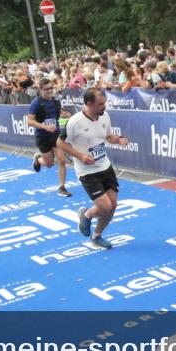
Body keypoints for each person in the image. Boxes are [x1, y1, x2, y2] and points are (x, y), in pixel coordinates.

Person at [58, 88, 130, 249]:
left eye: (105, 103)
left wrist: (118, 140)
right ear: (89, 104)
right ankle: (87, 214)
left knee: (113, 206)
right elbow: (60, 143)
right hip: (87, 171)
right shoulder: (75, 122)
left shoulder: (105, 115)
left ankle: (96, 236)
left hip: (105, 166)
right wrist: (80, 156)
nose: (104, 107)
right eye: (100, 104)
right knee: (105, 207)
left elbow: (108, 136)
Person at [29, 79, 73, 197]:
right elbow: (29, 121)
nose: (49, 91)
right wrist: (44, 127)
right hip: (42, 137)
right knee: (49, 164)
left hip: (55, 135)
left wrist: (66, 115)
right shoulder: (36, 103)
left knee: (62, 160)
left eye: (51, 88)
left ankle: (62, 188)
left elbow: (59, 113)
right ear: (40, 89)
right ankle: (38, 160)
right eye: (46, 89)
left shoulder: (55, 101)